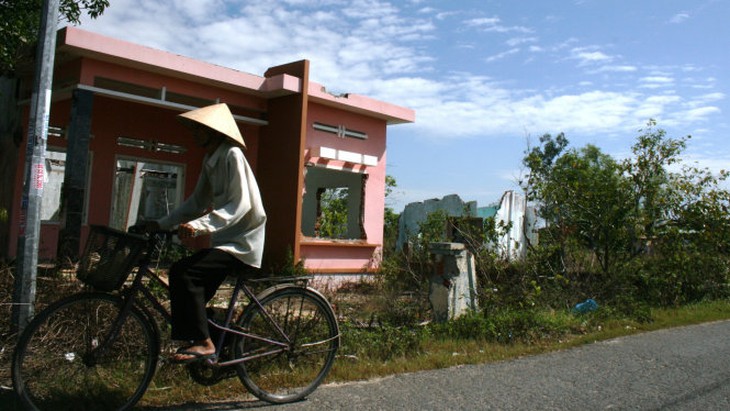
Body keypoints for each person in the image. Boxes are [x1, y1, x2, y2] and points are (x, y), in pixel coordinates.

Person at [144, 103, 266, 363]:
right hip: (224, 240)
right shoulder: (211, 159)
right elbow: (197, 202)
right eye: (196, 128)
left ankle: (204, 343)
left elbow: (240, 204)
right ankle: (216, 342)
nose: (195, 133)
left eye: (201, 128)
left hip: (242, 242)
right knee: (188, 286)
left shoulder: (232, 154)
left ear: (216, 131)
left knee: (184, 272)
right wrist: (161, 223)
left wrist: (199, 226)